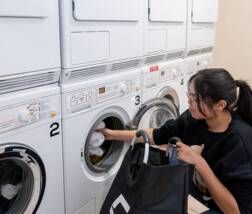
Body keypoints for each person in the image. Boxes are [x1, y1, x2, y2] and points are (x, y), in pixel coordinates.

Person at [98, 68, 252, 214]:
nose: (189, 102)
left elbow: (235, 211)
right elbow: (155, 135)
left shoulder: (239, 142)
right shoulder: (194, 118)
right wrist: (111, 134)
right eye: (189, 95)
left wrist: (199, 162)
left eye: (196, 99)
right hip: (200, 196)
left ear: (220, 105)